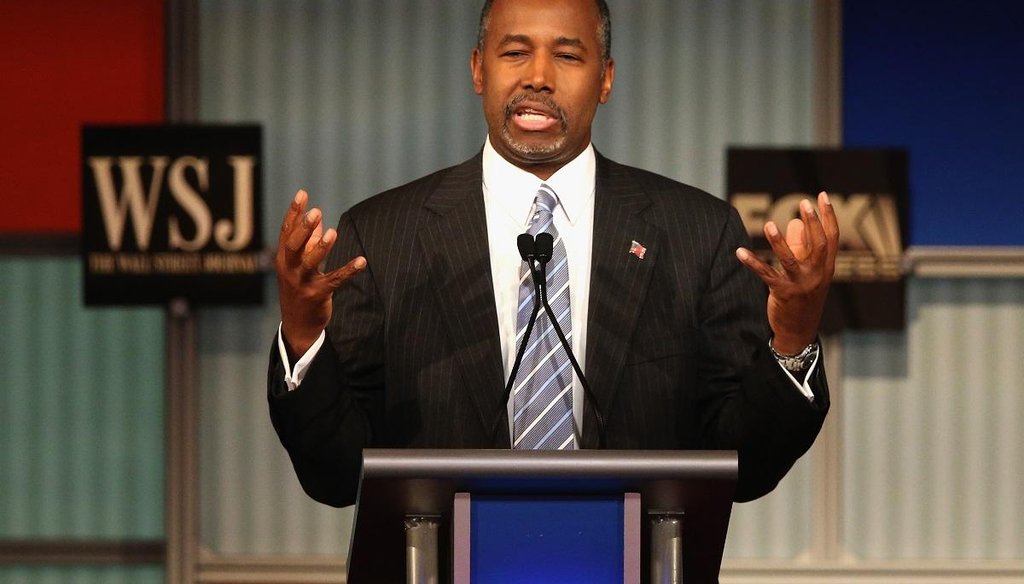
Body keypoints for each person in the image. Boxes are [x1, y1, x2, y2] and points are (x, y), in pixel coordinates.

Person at [269, 0, 838, 508]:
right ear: (477, 69)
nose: (537, 77)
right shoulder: (382, 236)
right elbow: (336, 475)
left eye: (568, 56)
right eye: (515, 52)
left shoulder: (696, 233)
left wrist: (791, 340)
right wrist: (301, 337)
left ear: (606, 80)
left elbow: (744, 466)